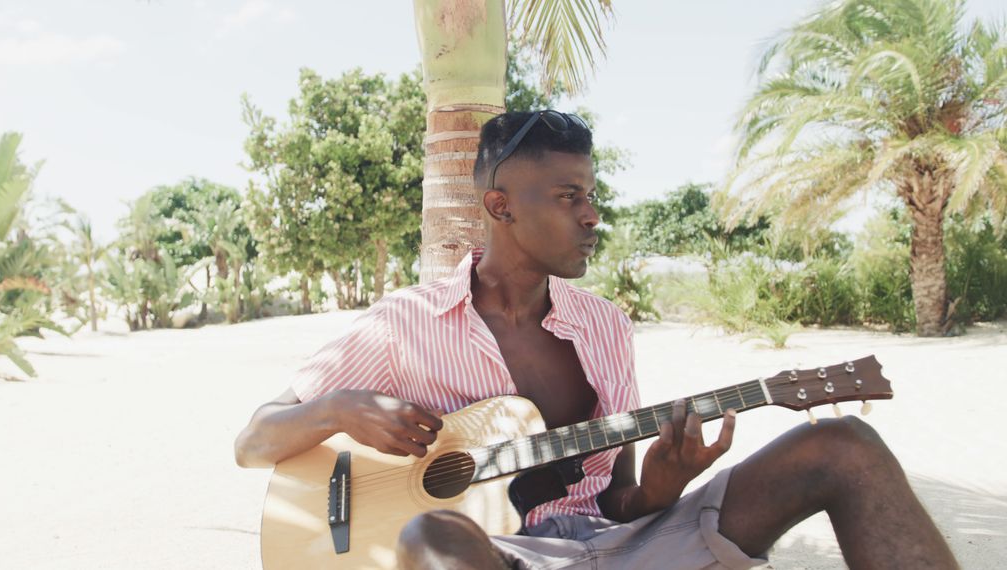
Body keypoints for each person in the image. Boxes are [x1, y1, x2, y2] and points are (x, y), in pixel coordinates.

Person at [234, 111, 958, 569]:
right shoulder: (402, 323)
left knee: (845, 448)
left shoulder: (605, 325)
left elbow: (617, 503)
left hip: (616, 548)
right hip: (497, 557)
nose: (593, 215)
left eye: (591, 194)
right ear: (500, 207)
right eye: (568, 196)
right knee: (432, 539)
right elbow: (254, 440)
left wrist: (661, 488)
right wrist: (337, 410)